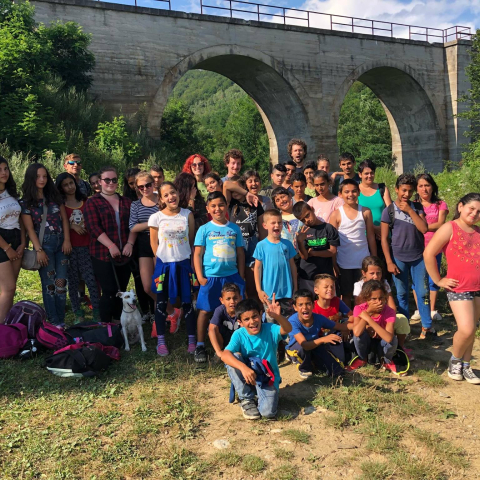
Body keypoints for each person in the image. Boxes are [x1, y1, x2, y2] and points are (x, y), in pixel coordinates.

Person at [424, 193, 480, 385]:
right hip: (458, 287)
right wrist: (438, 280)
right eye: (471, 208)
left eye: (479, 211)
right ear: (461, 206)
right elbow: (428, 253)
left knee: (472, 330)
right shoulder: (450, 227)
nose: (474, 213)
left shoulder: (478, 232)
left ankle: (466, 365)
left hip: (477, 287)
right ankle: (455, 360)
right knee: (467, 328)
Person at [193, 191, 245, 363]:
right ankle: (200, 345)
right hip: (211, 277)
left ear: (226, 206)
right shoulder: (204, 229)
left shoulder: (234, 228)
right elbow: (197, 254)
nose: (218, 209)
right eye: (213, 206)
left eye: (221, 205)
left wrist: (241, 275)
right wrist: (200, 276)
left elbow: (240, 253)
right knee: (205, 311)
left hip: (232, 276)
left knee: (238, 309)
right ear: (208, 208)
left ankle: (242, 342)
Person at [222, 296, 292, 420]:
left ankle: (261, 395)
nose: (252, 322)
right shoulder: (239, 334)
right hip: (248, 376)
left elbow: (288, 329)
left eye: (255, 316)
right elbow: (225, 355)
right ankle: (246, 399)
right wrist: (243, 368)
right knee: (233, 357)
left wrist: (278, 317)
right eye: (246, 319)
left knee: (267, 413)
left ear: (260, 314)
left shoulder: (270, 329)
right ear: (240, 322)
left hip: (267, 378)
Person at [380, 174, 433, 339]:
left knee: (423, 292)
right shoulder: (389, 211)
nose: (406, 194)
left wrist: (410, 210)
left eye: (410, 191)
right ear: (396, 189)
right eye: (403, 190)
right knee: (401, 294)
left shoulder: (417, 207)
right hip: (398, 259)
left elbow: (424, 229)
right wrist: (389, 262)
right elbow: (384, 239)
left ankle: (427, 327)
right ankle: (404, 329)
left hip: (418, 258)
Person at [21, 163, 72, 327]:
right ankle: (54, 322)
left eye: (44, 176)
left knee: (61, 283)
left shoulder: (54, 196)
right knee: (49, 285)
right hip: (44, 245)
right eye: (38, 176)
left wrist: (67, 240)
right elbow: (29, 229)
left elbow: (64, 220)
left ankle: (61, 321)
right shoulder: (26, 202)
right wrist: (38, 250)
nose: (42, 179)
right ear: (31, 178)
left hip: (61, 243)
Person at [149, 181, 196, 356]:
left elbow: (191, 241)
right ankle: (161, 341)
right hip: (164, 266)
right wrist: (161, 263)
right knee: (161, 302)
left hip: (183, 264)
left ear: (178, 192)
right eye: (166, 195)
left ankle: (192, 339)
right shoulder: (156, 218)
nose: (171, 197)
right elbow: (154, 244)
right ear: (161, 199)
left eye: (173, 192)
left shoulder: (187, 214)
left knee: (187, 302)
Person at [84, 166, 135, 322]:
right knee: (109, 290)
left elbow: (134, 224)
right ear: (100, 182)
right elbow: (93, 227)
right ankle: (106, 324)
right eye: (107, 180)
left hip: (125, 253)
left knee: (121, 289)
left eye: (114, 180)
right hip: (102, 254)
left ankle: (119, 322)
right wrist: (111, 245)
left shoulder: (126, 201)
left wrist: (130, 243)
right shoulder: (92, 202)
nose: (111, 183)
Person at [55, 173, 100, 323]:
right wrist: (72, 226)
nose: (70, 187)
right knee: (73, 281)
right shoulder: (60, 205)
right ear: (61, 188)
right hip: (70, 248)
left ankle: (97, 311)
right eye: (65, 185)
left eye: (71, 183)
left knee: (91, 280)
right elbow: (57, 224)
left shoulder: (86, 201)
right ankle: (78, 313)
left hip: (87, 246)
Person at [329, 179, 376, 307]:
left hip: (363, 261)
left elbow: (371, 236)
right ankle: (348, 318)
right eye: (347, 192)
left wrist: (374, 258)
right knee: (346, 294)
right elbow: (332, 242)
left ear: (359, 192)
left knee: (363, 294)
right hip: (344, 262)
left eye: (354, 191)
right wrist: (333, 263)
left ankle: (363, 317)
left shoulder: (366, 212)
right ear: (340, 194)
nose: (351, 194)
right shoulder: (336, 214)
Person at [353, 256, 411, 356]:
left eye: (378, 273)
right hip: (367, 319)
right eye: (372, 273)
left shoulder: (384, 284)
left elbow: (392, 307)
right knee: (358, 331)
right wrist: (368, 324)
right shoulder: (359, 286)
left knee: (402, 320)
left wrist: (386, 318)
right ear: (364, 273)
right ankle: (364, 356)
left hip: (384, 316)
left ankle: (400, 348)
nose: (376, 276)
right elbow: (360, 311)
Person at [286, 289, 348, 378]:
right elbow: (304, 345)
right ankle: (304, 368)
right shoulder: (292, 321)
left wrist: (358, 322)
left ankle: (316, 362)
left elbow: (340, 326)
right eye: (300, 305)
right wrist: (323, 339)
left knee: (336, 370)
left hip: (314, 345)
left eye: (308, 304)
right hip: (300, 347)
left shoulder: (319, 318)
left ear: (313, 305)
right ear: (295, 307)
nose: (305, 307)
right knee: (302, 349)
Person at [346, 280, 402, 375]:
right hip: (366, 342)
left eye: (381, 298)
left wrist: (368, 319)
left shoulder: (389, 311)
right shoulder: (359, 308)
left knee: (393, 339)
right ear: (366, 299)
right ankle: (362, 359)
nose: (379, 302)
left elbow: (389, 338)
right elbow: (357, 332)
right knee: (358, 335)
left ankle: (386, 361)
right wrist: (368, 312)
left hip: (382, 343)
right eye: (374, 299)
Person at [412, 173, 448, 322]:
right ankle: (420, 309)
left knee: (433, 279)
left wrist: (423, 227)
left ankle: (432, 309)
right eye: (420, 186)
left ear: (432, 187)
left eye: (427, 185)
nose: (424, 189)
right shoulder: (413, 204)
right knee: (417, 280)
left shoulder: (440, 204)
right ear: (416, 188)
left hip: (435, 248)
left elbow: (441, 224)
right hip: (416, 247)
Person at [224, 176, 265, 303]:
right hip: (234, 247)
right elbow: (226, 184)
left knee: (252, 287)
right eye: (233, 190)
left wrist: (262, 249)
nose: (235, 192)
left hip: (252, 245)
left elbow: (262, 229)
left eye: (238, 188)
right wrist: (246, 193)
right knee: (236, 286)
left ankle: (255, 309)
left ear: (243, 186)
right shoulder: (230, 203)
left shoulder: (255, 204)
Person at [254, 209, 297, 319]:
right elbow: (257, 268)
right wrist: (259, 290)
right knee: (271, 323)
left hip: (287, 293)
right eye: (273, 223)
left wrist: (295, 286)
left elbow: (293, 266)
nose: (277, 225)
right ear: (265, 225)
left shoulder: (287, 244)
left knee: (287, 323)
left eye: (279, 222)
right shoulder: (261, 245)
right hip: (268, 294)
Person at [129, 171, 159, 320]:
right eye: (141, 187)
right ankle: (170, 309)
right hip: (144, 244)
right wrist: (152, 223)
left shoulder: (162, 201)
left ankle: (159, 317)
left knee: (159, 284)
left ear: (153, 184)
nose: (145, 189)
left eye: (148, 185)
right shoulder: (135, 205)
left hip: (161, 243)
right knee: (147, 286)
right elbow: (132, 227)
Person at [0, 156, 25, 324]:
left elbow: (20, 220)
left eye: (6, 168)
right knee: (8, 288)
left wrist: (23, 243)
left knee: (9, 289)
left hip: (16, 239)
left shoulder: (12, 193)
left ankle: (7, 326)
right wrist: (7, 248)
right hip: (2, 242)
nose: (4, 172)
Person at [293, 202, 339, 291]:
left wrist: (314, 253)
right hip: (307, 276)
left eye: (307, 215)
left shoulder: (328, 228)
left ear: (312, 209)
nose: (307, 220)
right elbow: (304, 256)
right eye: (303, 220)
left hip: (325, 276)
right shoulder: (302, 232)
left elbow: (333, 251)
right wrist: (300, 242)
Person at [358, 159, 392, 257]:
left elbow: (391, 211)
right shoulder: (355, 190)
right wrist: (373, 228)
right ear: (360, 174)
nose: (369, 176)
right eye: (366, 173)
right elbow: (355, 213)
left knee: (385, 263)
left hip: (383, 234)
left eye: (372, 173)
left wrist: (383, 228)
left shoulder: (382, 188)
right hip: (364, 236)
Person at [208, 283, 241, 358]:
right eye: (228, 299)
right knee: (213, 328)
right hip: (224, 342)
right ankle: (219, 353)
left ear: (240, 298)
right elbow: (211, 329)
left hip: (239, 342)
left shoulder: (243, 311)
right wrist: (219, 352)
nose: (232, 302)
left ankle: (241, 352)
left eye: (235, 298)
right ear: (222, 300)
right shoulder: (220, 310)